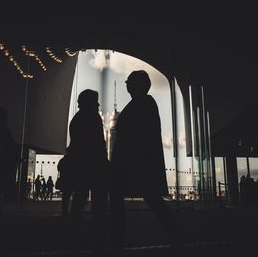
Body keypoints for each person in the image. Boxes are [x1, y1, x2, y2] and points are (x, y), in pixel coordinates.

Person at [109, 70, 180, 253]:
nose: (126, 84)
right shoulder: (144, 104)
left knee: (129, 197)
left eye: (129, 82)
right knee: (152, 198)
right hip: (136, 162)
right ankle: (175, 233)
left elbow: (140, 136)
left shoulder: (142, 104)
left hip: (134, 163)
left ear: (138, 84)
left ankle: (117, 239)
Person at [67, 89, 109, 254]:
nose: (98, 105)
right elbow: (98, 142)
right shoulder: (92, 118)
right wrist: (104, 162)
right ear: (89, 102)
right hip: (94, 166)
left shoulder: (77, 119)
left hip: (81, 166)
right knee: (98, 202)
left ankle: (76, 235)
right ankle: (97, 235)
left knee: (79, 200)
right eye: (95, 101)